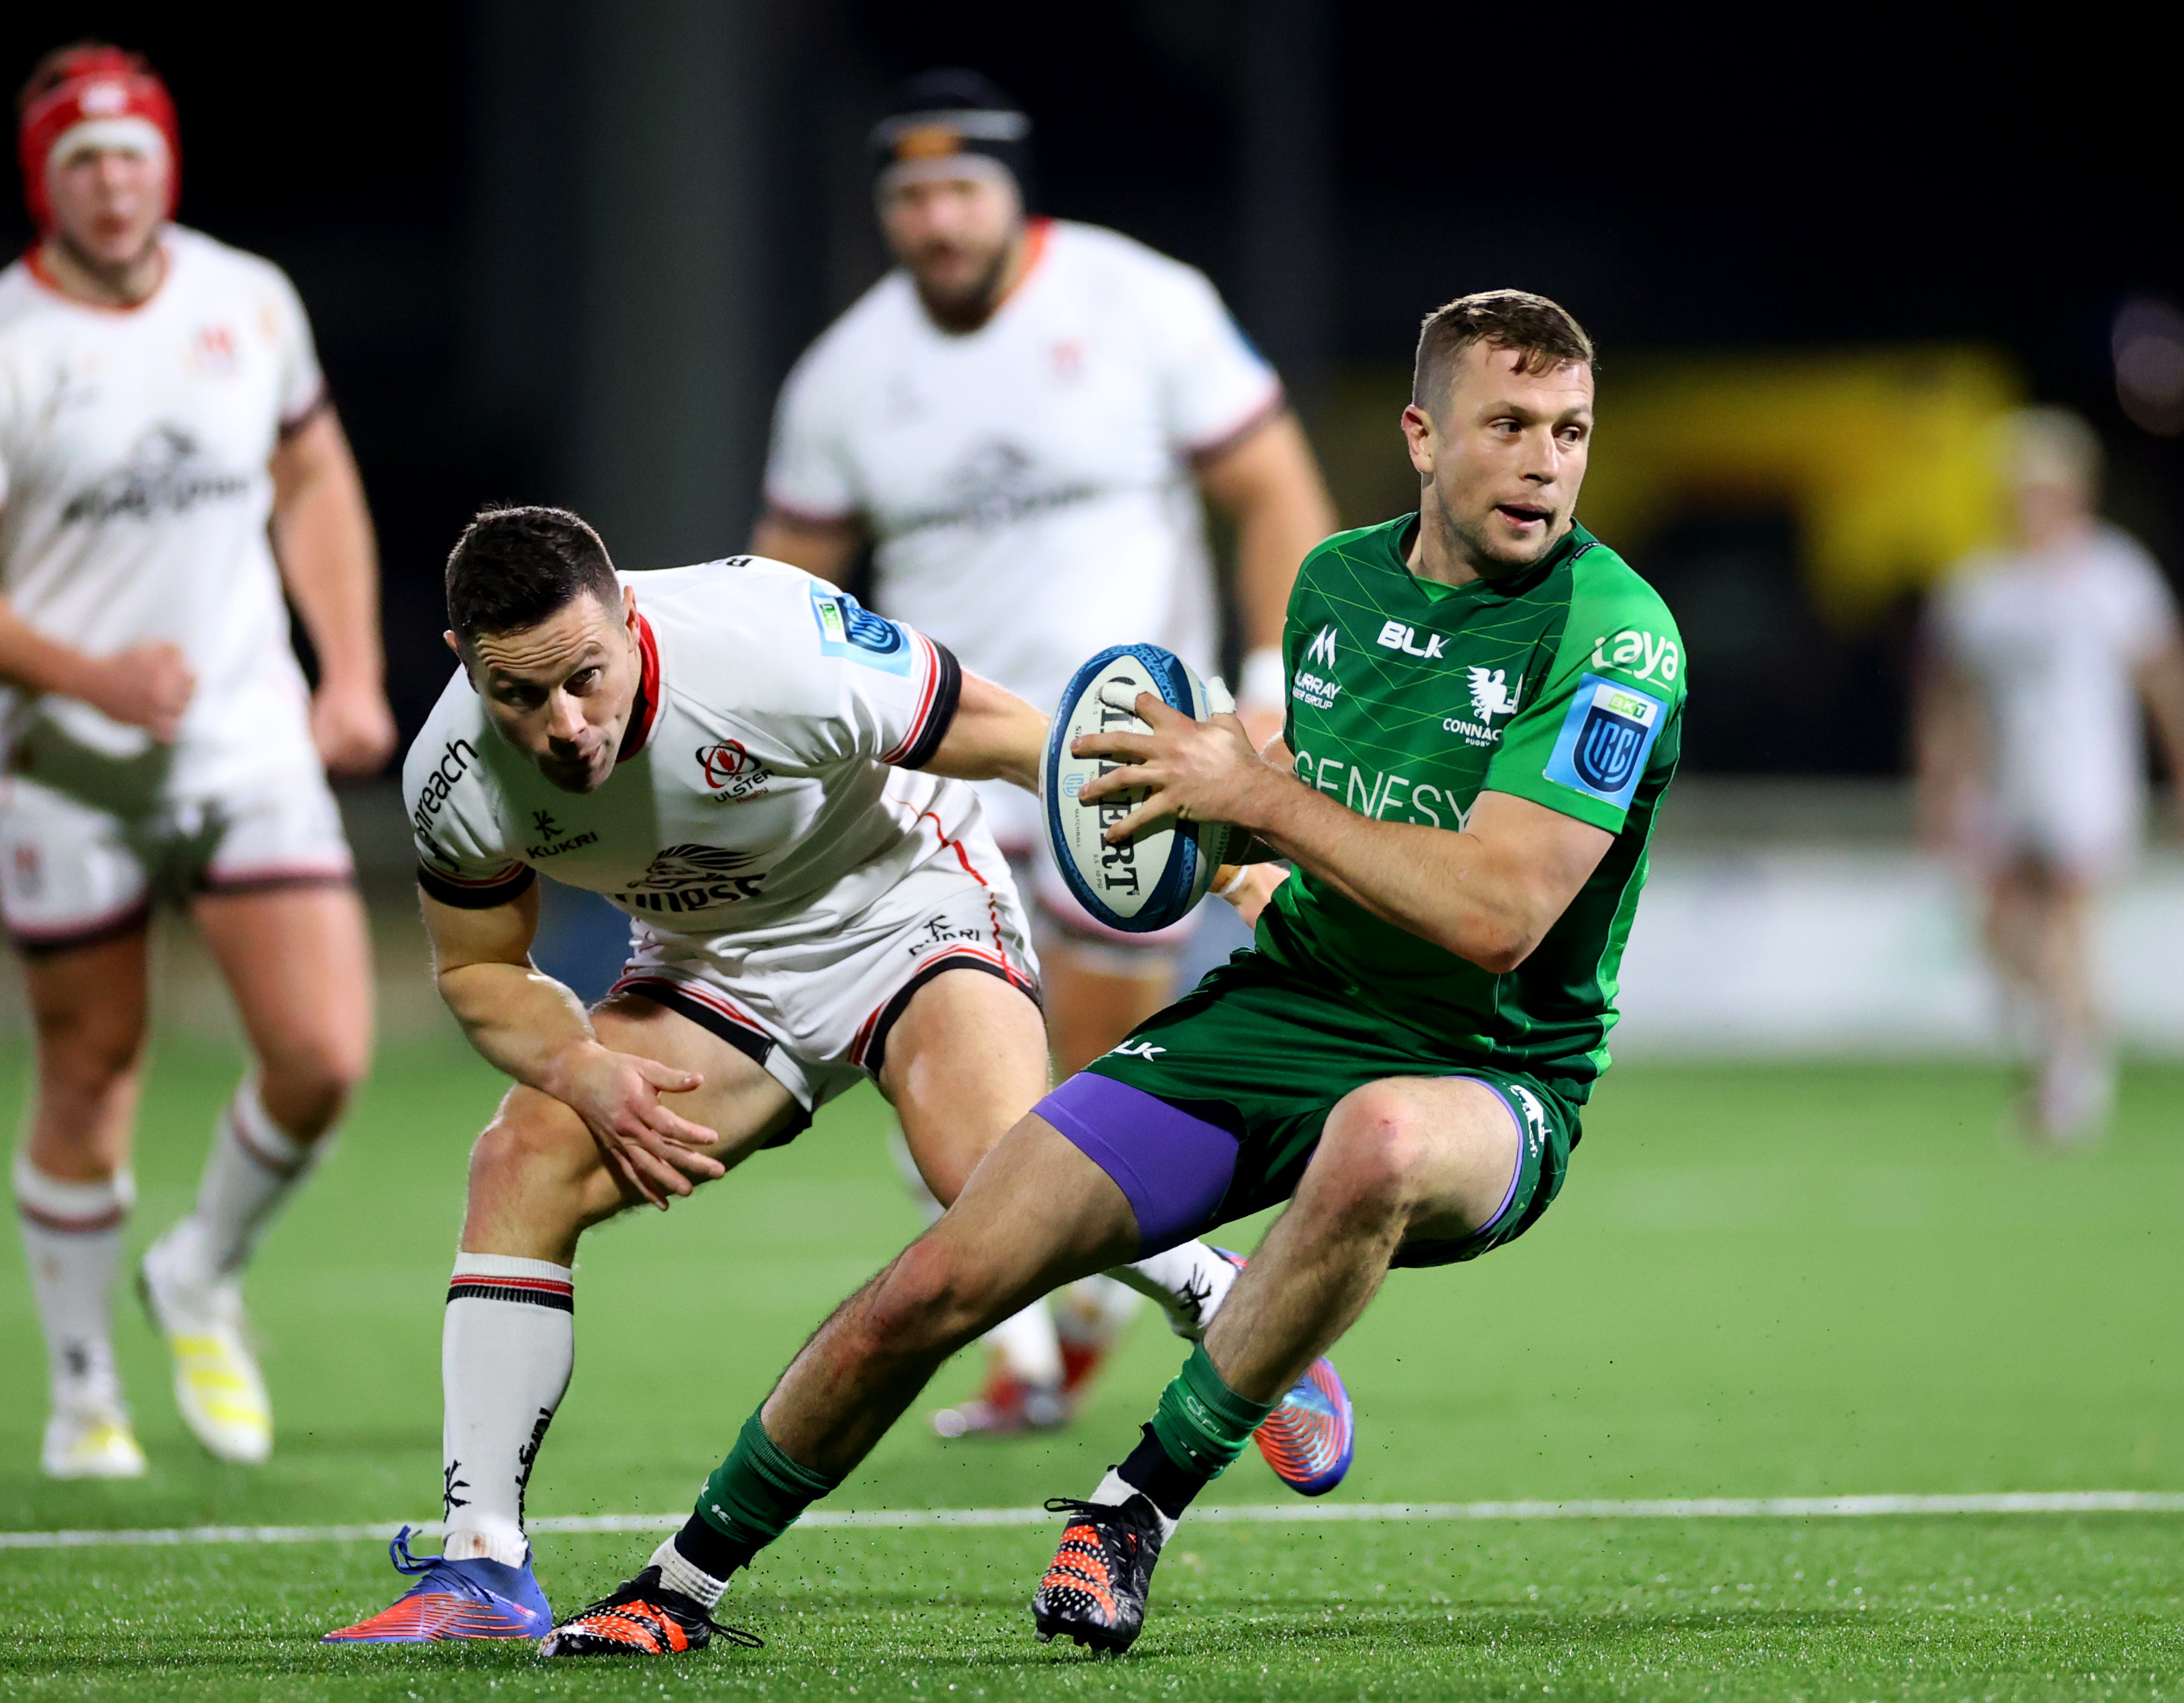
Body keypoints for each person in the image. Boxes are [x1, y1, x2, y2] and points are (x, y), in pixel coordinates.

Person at [535, 289, 1689, 1660]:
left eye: (1572, 429)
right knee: (943, 1275)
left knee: (1376, 1138)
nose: (1549, 461)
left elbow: (1500, 910)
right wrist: (1200, 834)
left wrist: (1257, 792)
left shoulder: (1616, 634)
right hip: (1283, 1008)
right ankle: (678, 1580)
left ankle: (1134, 1503)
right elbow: (1321, 819)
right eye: (1512, 423)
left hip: (1489, 1073)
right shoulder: (1333, 586)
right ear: (1425, 434)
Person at [322, 509, 1347, 1645]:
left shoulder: (767, 644)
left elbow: (1023, 743)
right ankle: (483, 1573)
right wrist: (577, 1067)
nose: (564, 726)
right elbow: (478, 968)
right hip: (712, 968)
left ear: (629, 618)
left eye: (585, 678)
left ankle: (1223, 1299)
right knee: (525, 1153)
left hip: (907, 906)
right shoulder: (452, 775)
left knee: (993, 1181)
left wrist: (1227, 863)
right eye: (522, 697)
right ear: (469, 668)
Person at [754, 68, 1339, 1433]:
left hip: (1127, 755)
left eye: (963, 190)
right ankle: (1042, 1326)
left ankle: (1063, 1308)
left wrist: (1267, 698)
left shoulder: (1145, 304)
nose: (938, 220)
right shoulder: (845, 374)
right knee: (950, 1054)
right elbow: (784, 585)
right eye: (910, 197)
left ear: (1018, 193)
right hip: (933, 752)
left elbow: (1274, 492)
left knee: (1088, 1082)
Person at [0, 44, 395, 1480]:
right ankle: (83, 1383)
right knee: (93, 1061)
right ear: (46, 181)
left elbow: (314, 478)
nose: (113, 185)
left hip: (242, 735)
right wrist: (89, 672)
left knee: (323, 1055)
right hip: (69, 761)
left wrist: (348, 668)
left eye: (132, 154)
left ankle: (200, 1269)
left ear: (168, 160)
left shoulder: (249, 300)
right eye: (81, 161)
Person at [1915, 407, 2184, 1143]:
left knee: (2067, 925)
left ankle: (2073, 1083)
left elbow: (2162, 679)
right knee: (2000, 931)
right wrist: (1943, 787)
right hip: (2008, 784)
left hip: (2088, 780)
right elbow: (1953, 699)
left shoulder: (2114, 572)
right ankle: (2074, 1038)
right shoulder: (1979, 586)